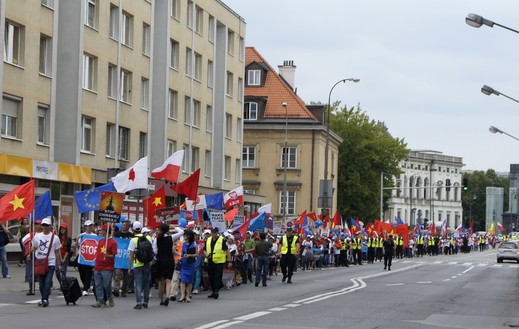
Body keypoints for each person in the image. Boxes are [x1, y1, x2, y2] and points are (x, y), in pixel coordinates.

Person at [31, 217, 62, 307]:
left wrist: (59, 263)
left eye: (47, 225)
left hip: (50, 262)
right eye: (43, 225)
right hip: (40, 262)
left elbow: (57, 252)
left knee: (48, 282)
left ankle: (45, 299)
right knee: (41, 283)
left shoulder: (55, 238)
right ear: (41, 226)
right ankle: (43, 298)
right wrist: (30, 252)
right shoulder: (37, 236)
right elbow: (34, 246)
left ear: (50, 226)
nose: (45, 227)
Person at [152, 223, 183, 306]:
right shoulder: (171, 238)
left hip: (160, 261)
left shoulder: (156, 239)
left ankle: (161, 299)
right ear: (168, 230)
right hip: (169, 260)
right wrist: (175, 227)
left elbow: (155, 251)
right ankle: (168, 296)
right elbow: (181, 232)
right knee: (169, 280)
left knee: (161, 282)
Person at [128, 221, 153, 310]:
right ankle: (145, 302)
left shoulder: (133, 240)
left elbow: (131, 255)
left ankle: (139, 303)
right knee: (146, 284)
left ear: (133, 229)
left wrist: (129, 267)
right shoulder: (148, 238)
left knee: (138, 284)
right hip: (147, 264)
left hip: (137, 264)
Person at [92, 224, 118, 308]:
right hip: (98, 266)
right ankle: (100, 300)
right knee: (98, 284)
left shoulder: (113, 242)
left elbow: (114, 255)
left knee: (107, 284)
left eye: (102, 230)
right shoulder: (101, 241)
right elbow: (98, 253)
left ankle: (109, 296)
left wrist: (107, 256)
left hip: (107, 267)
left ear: (107, 231)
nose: (101, 232)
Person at [204, 227, 232, 299]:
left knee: (217, 276)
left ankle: (216, 290)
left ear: (217, 233)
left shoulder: (221, 240)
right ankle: (213, 291)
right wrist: (206, 254)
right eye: (212, 232)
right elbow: (204, 250)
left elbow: (227, 251)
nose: (213, 234)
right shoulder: (208, 239)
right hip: (210, 260)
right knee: (211, 277)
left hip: (219, 261)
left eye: (215, 232)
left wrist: (229, 261)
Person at [113, 220, 134, 297]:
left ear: (128, 227)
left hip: (127, 258)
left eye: (125, 225)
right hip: (119, 258)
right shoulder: (117, 234)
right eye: (123, 225)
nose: (123, 226)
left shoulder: (131, 235)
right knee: (117, 274)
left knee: (126, 276)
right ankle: (116, 289)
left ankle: (124, 291)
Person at [179, 229, 199, 302]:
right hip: (183, 264)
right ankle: (182, 296)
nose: (184, 236)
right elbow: (181, 254)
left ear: (189, 236)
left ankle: (188, 296)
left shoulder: (194, 244)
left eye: (185, 235)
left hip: (190, 264)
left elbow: (197, 254)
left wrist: (190, 255)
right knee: (182, 280)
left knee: (189, 281)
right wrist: (176, 253)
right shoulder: (183, 244)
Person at [77, 220, 95, 296]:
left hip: (90, 260)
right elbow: (76, 245)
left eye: (91, 226)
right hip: (81, 259)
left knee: (88, 274)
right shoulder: (81, 235)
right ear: (85, 227)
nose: (90, 227)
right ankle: (86, 286)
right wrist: (78, 238)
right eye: (89, 226)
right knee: (82, 274)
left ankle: (85, 288)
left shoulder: (95, 236)